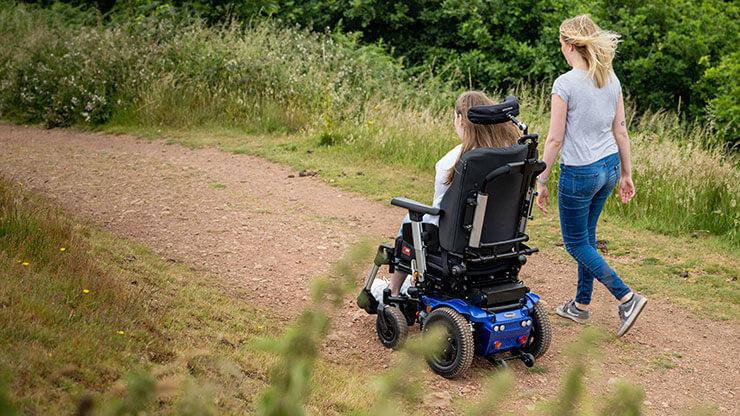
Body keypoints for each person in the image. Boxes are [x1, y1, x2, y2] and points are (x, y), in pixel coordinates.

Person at [536, 14, 646, 336]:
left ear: (569, 45)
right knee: (587, 238)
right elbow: (621, 131)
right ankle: (581, 306)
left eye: (561, 44)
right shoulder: (610, 79)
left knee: (575, 244)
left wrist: (541, 179)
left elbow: (555, 138)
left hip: (580, 174)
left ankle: (626, 297)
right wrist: (626, 174)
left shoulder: (565, 83)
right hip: (609, 167)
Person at [388, 91, 519, 296]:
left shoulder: (454, 162)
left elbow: (437, 212)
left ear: (460, 119)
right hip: (501, 241)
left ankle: (394, 290)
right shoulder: (512, 153)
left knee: (410, 222)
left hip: (458, 245)